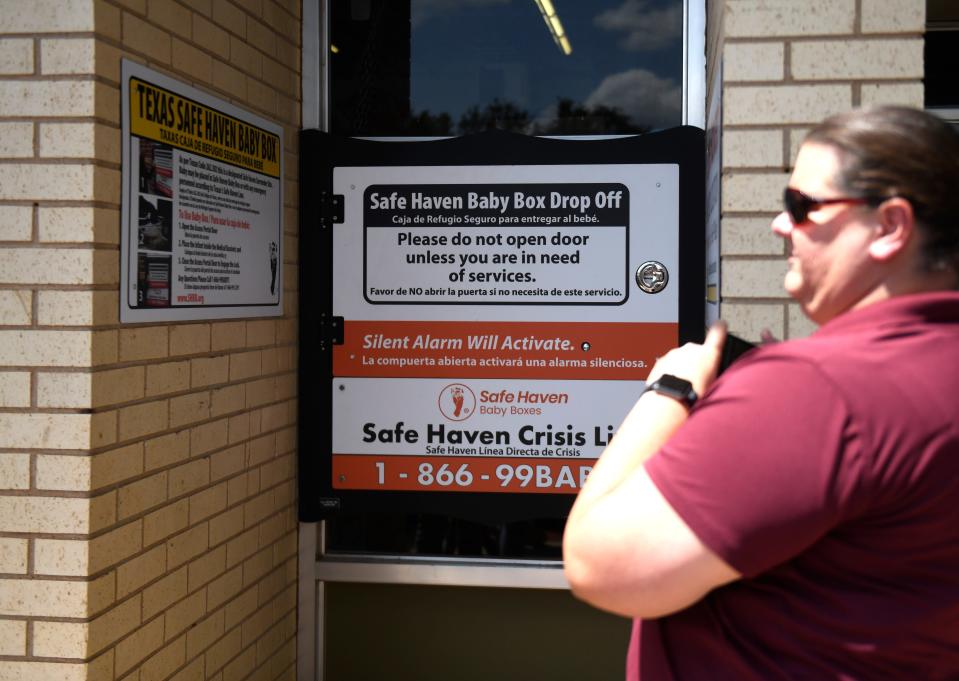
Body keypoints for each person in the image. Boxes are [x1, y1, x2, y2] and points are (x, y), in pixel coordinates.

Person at [563, 106, 959, 680]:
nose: (779, 224)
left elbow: (600, 564)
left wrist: (673, 386)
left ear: (890, 227)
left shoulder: (818, 389)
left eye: (803, 207)